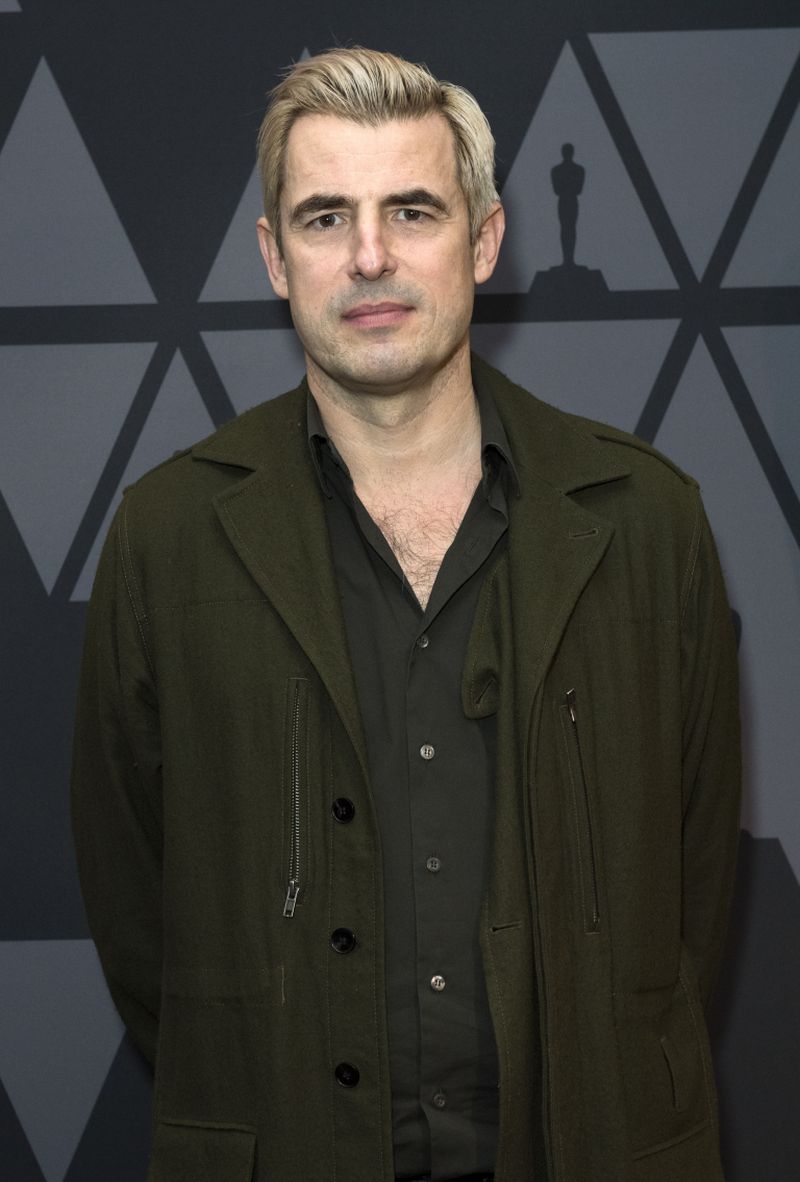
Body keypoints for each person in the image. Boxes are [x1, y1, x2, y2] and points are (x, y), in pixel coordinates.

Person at [70, 46, 741, 1182]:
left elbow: (690, 894)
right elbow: (139, 914)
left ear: (483, 240)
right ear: (275, 258)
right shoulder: (165, 536)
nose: (369, 255)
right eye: (326, 217)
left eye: (412, 210)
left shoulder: (646, 520)